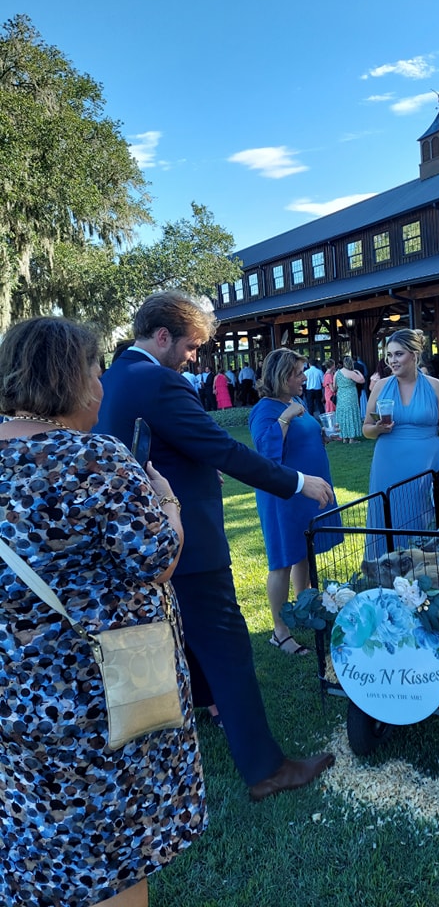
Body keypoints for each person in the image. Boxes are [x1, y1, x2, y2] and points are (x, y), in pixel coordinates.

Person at [95, 291, 335, 802]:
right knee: (228, 645)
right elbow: (221, 448)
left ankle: (206, 702)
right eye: (190, 346)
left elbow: (155, 449)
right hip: (190, 542)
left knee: (185, 635)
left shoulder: (115, 375)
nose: (193, 358)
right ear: (163, 337)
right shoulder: (158, 380)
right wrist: (297, 482)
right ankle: (266, 768)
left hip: (148, 539)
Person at [0, 316, 205, 907]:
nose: (102, 385)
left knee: (37, 843)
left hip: (16, 698)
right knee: (110, 853)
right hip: (100, 698)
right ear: (71, 378)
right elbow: (157, 557)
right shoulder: (95, 459)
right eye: (95, 370)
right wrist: (167, 501)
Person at [249, 349, 341, 655]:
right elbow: (266, 453)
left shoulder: (296, 401)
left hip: (309, 493)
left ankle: (305, 609)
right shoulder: (265, 409)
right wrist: (285, 418)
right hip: (284, 497)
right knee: (282, 562)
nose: (305, 378)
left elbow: (304, 436)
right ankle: (280, 631)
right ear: (282, 376)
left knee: (305, 554)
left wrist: (324, 436)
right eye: (299, 373)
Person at [363, 329, 439, 550]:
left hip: (424, 467)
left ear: (414, 354)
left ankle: (423, 574)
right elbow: (366, 429)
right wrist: (377, 428)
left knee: (421, 520)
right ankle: (381, 569)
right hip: (387, 463)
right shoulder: (381, 387)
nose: (392, 361)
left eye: (398, 354)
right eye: (389, 355)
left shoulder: (435, 386)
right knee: (386, 516)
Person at [333, 355, 365, 443]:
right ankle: (351, 438)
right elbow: (362, 380)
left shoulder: (337, 373)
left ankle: (344, 437)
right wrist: (358, 372)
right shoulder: (351, 373)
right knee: (351, 414)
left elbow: (334, 387)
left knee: (342, 415)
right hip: (350, 395)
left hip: (341, 395)